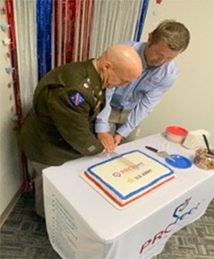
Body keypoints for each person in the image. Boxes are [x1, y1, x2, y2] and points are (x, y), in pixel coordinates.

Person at [17, 44, 142, 217]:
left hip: (59, 134)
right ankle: (45, 219)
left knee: (63, 180)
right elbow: (77, 134)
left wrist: (100, 137)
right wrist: (100, 149)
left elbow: (87, 115)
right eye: (123, 80)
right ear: (107, 66)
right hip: (46, 143)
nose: (122, 86)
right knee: (48, 184)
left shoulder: (93, 73)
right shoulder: (75, 89)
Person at [95, 19, 190, 151]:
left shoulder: (170, 72)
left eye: (169, 58)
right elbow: (106, 89)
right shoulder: (123, 53)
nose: (161, 61)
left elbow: (147, 104)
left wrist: (124, 131)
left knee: (126, 150)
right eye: (159, 54)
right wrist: (102, 127)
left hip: (131, 112)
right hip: (106, 106)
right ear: (150, 38)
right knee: (101, 150)